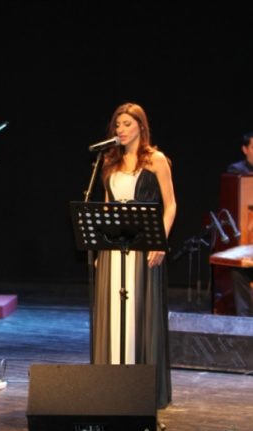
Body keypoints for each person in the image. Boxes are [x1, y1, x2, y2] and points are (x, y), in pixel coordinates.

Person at [92, 102, 177, 409]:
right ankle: (112, 382)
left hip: (143, 246)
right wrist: (100, 246)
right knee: (113, 310)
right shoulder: (109, 160)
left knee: (138, 311)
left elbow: (171, 205)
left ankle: (139, 386)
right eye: (117, 125)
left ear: (141, 126)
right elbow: (106, 206)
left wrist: (159, 243)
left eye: (127, 124)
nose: (121, 129)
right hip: (114, 246)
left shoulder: (156, 159)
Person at [225, 131, 253, 316]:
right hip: (246, 237)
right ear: (245, 149)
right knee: (239, 270)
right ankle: (245, 322)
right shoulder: (236, 171)